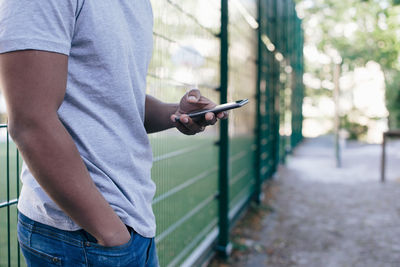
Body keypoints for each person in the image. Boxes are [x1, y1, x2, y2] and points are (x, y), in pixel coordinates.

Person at [0, 1, 226, 266]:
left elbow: (114, 99)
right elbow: (31, 122)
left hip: (131, 223)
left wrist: (176, 113)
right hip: (80, 235)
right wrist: (109, 233)